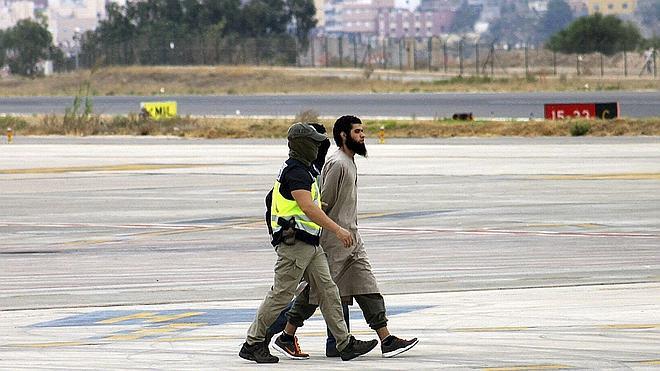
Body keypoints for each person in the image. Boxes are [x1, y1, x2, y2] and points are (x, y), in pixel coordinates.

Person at [269, 116, 419, 360]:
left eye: (362, 131)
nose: (363, 135)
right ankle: (286, 335)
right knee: (315, 293)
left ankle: (387, 339)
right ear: (343, 136)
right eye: (357, 131)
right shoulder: (337, 164)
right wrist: (332, 232)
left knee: (366, 285)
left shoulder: (349, 162)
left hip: (352, 239)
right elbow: (320, 204)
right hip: (334, 241)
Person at [239, 122, 378, 363]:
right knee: (281, 295)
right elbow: (307, 207)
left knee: (328, 291)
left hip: (310, 244)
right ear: (303, 145)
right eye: (314, 143)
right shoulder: (297, 172)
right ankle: (253, 342)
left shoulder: (302, 170)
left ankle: (344, 343)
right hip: (295, 245)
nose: (318, 148)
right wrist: (337, 229)